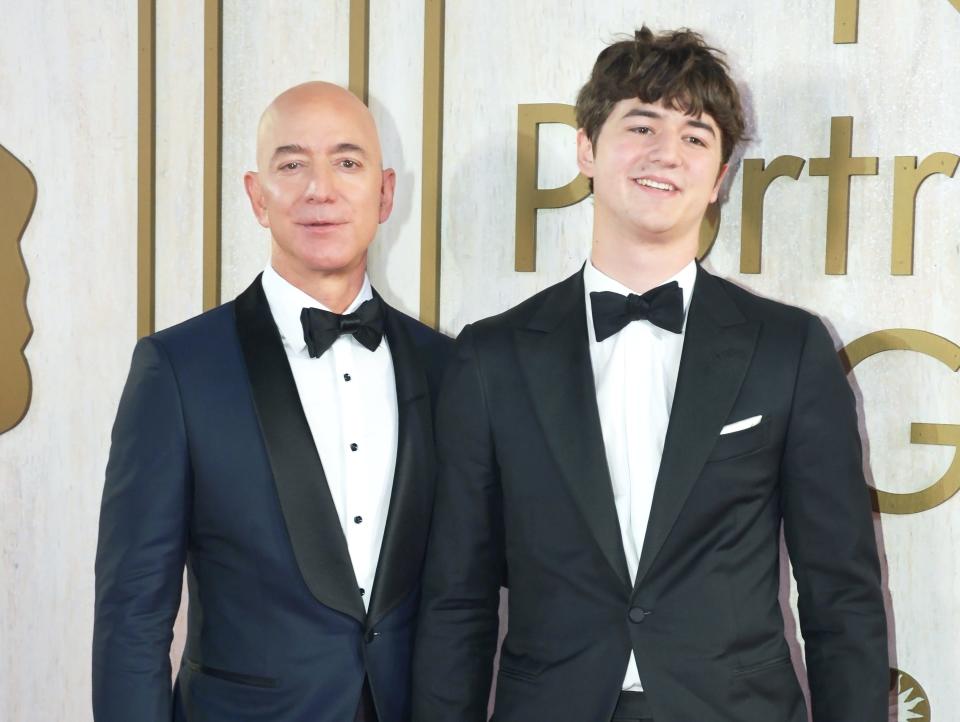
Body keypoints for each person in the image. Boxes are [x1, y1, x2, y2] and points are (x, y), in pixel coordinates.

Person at [412, 27, 887, 722]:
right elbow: (457, 600)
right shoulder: (492, 358)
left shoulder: (788, 350)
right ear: (586, 148)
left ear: (721, 176)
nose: (668, 153)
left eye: (696, 136)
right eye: (642, 125)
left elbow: (840, 594)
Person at [93, 81, 451, 722]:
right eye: (292, 165)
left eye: (347, 162)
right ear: (258, 197)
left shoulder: (448, 367)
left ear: (385, 193)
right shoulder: (178, 369)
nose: (320, 189)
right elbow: (132, 613)